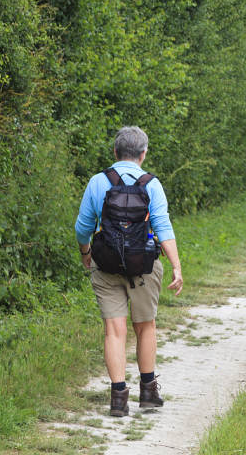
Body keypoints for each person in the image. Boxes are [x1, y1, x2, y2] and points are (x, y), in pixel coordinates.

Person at [75, 126, 183, 417]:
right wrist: (176, 265)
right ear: (143, 153)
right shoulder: (152, 183)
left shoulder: (99, 181)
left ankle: (118, 400)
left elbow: (82, 228)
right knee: (145, 325)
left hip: (106, 264)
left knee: (114, 329)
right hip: (144, 267)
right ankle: (148, 393)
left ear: (115, 152)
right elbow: (163, 227)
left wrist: (86, 254)